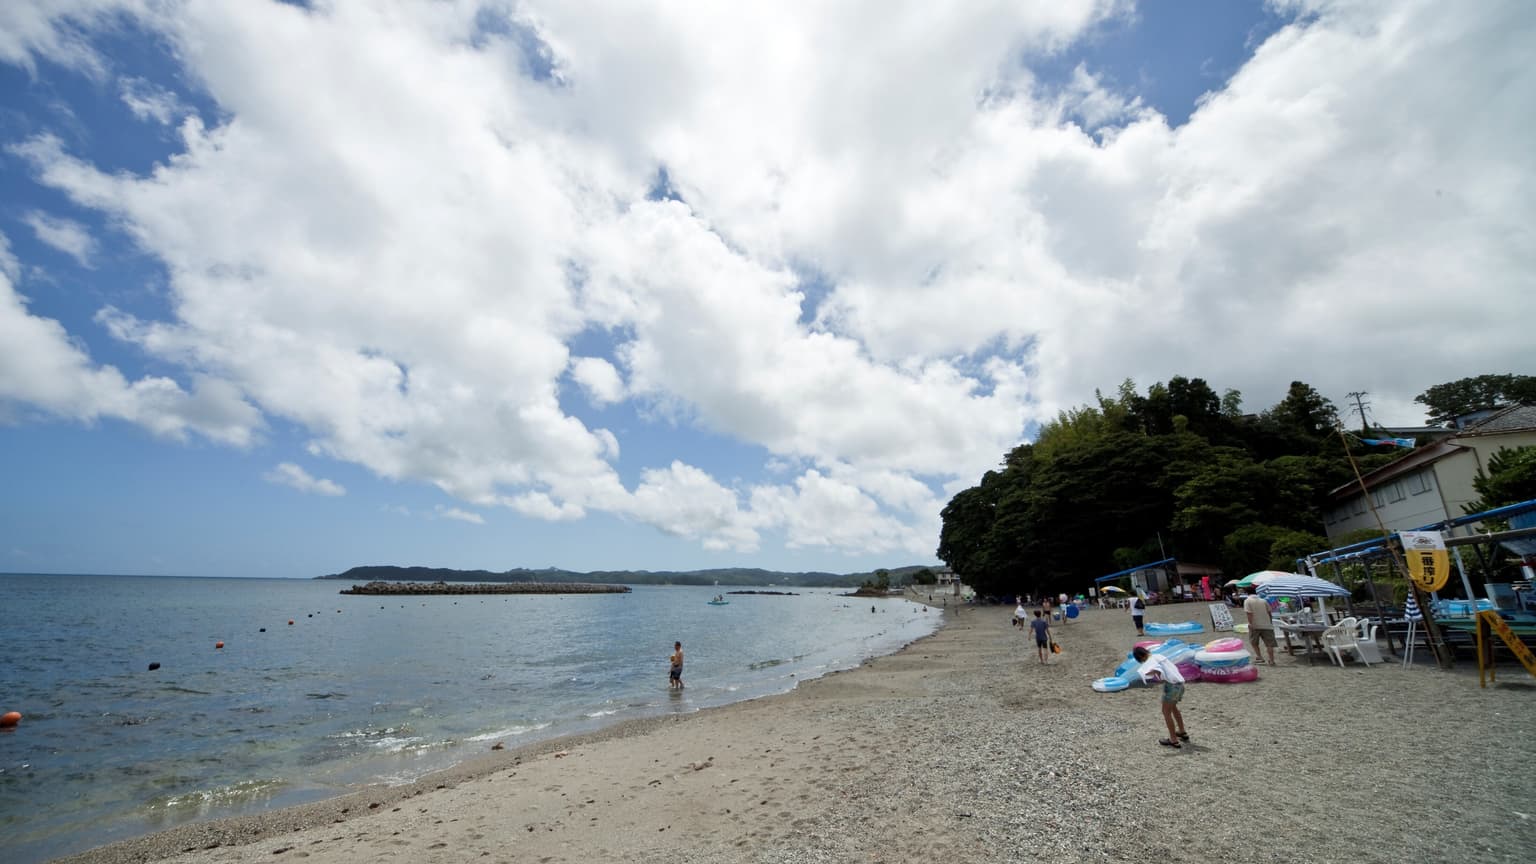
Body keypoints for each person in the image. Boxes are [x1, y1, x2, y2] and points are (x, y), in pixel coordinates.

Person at [1132, 645, 1189, 748]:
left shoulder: (1151, 661)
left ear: (1141, 657)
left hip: (1171, 686)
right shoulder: (1159, 656)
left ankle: (1173, 739)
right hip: (1180, 684)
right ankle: (1182, 731)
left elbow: (1156, 669)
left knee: (1166, 712)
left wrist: (1148, 673)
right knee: (1173, 708)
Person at [1244, 592, 1278, 665]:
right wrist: (1270, 622)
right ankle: (1271, 660)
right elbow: (1269, 613)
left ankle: (1259, 656)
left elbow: (1249, 613)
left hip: (1255, 625)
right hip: (1267, 625)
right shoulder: (1263, 601)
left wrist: (1250, 623)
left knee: (1254, 642)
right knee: (1269, 644)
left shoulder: (1247, 601)